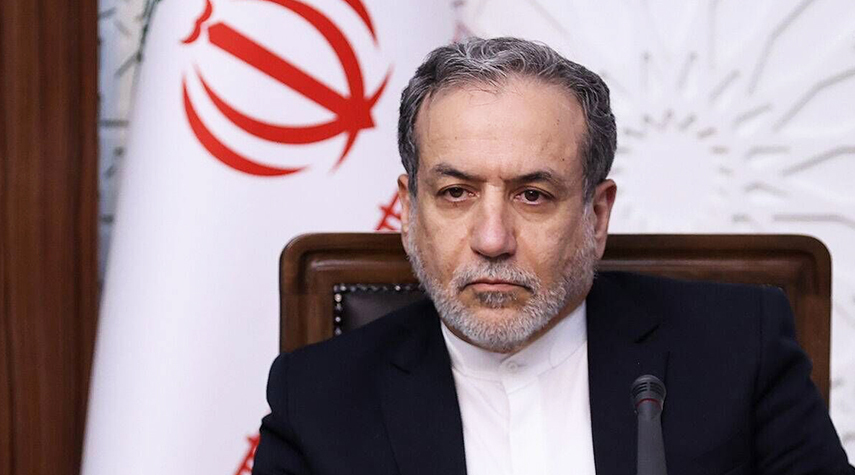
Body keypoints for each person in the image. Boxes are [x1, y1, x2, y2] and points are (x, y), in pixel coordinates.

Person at [253, 37, 854, 475]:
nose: (492, 239)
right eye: (456, 193)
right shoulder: (317, 399)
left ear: (597, 216)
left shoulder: (737, 348)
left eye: (533, 195)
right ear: (409, 214)